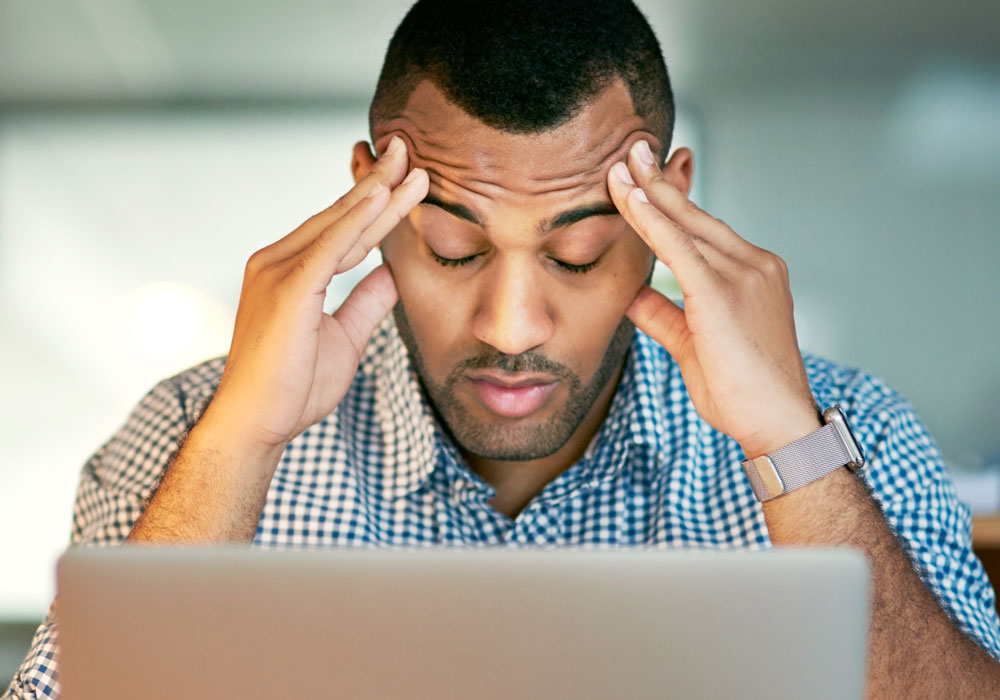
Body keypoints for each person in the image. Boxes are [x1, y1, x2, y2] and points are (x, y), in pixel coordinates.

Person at [6, 0, 1000, 698]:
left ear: (670, 206)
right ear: (368, 197)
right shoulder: (191, 431)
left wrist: (788, 442)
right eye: (452, 247)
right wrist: (238, 446)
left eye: (577, 252)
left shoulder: (848, 429)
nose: (511, 326)